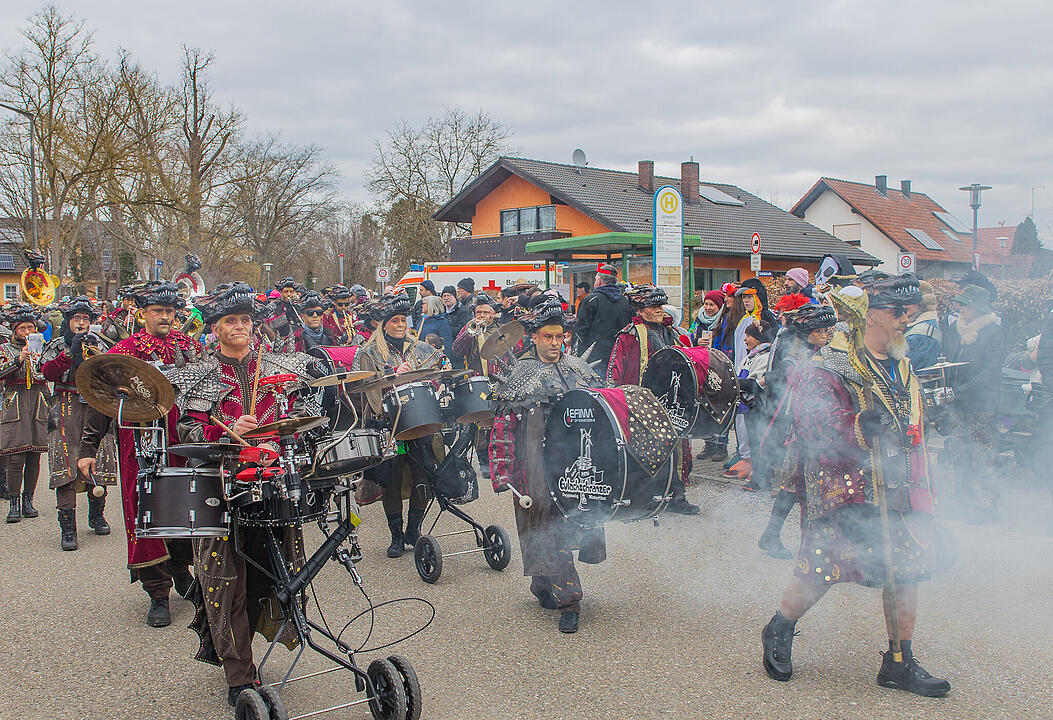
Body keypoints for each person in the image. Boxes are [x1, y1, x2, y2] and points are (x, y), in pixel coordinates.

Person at [761, 277, 950, 698]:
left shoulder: (901, 363)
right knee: (821, 571)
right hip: (847, 489)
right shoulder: (826, 366)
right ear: (869, 314)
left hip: (901, 486)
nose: (908, 317)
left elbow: (908, 419)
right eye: (898, 311)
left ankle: (899, 662)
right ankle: (780, 626)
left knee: (905, 571)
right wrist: (856, 427)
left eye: (911, 310)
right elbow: (814, 424)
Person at [165, 282, 322, 708]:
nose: (239, 327)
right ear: (214, 328)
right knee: (225, 578)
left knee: (270, 571)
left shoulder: (273, 366)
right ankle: (238, 674)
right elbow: (186, 432)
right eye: (229, 321)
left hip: (270, 479)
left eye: (245, 320)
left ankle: (251, 649)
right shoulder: (200, 373)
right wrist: (225, 432)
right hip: (218, 485)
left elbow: (300, 413)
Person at [77, 281, 202, 628]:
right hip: (140, 442)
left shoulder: (190, 348)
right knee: (145, 513)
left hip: (181, 441)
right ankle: (157, 591)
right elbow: (101, 402)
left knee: (185, 508)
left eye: (169, 312)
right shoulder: (124, 350)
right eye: (157, 311)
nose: (164, 317)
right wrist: (87, 449)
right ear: (143, 313)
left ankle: (181, 570)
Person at [489, 299, 605, 634]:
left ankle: (564, 597)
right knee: (535, 524)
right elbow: (503, 427)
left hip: (573, 462)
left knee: (564, 527)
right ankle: (554, 591)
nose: (555, 343)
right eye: (548, 336)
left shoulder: (578, 369)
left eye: (560, 336)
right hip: (533, 465)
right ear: (535, 337)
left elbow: (599, 416)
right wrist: (503, 473)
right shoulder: (519, 375)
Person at [352, 295, 446, 557]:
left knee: (423, 476)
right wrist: (392, 376)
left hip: (420, 419)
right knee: (391, 481)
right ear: (383, 324)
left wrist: (434, 371)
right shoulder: (368, 352)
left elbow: (434, 377)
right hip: (388, 425)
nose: (400, 325)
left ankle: (414, 529)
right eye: (394, 320)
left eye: (403, 320)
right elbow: (363, 389)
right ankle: (395, 535)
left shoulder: (420, 347)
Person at [606, 285, 699, 514]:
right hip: (642, 400)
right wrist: (616, 398)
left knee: (676, 447)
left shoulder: (673, 332)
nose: (657, 310)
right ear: (640, 308)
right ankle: (647, 496)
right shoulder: (629, 335)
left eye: (659, 305)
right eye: (652, 306)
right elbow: (615, 370)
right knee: (646, 448)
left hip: (671, 398)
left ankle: (677, 496)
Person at [755, 304, 840, 557]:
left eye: (828, 330)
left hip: (825, 431)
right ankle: (774, 536)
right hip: (803, 432)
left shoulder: (823, 353)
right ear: (806, 333)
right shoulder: (793, 359)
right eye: (820, 331)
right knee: (793, 486)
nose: (826, 335)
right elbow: (794, 394)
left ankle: (825, 544)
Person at [39, 296, 118, 550]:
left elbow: (112, 375)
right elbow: (47, 373)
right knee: (65, 465)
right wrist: (68, 354)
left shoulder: (99, 344)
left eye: (86, 319)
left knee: (101, 457)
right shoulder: (56, 344)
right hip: (64, 406)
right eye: (77, 318)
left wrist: (95, 355)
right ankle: (68, 528)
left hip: (94, 405)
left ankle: (96, 516)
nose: (81, 323)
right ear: (68, 321)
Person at [941, 284, 1005, 522]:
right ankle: (963, 502)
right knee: (959, 452)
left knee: (982, 454)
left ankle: (987, 506)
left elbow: (990, 371)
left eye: (964, 304)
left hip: (981, 403)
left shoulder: (993, 332)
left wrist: (961, 390)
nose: (960, 308)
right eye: (959, 304)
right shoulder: (954, 329)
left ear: (977, 308)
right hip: (957, 401)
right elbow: (946, 359)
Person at [1, 304, 49, 523]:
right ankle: (14, 502)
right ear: (15, 330)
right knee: (15, 456)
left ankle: (29, 500)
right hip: (16, 401)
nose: (28, 332)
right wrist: (19, 359)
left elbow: (50, 373)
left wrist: (41, 362)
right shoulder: (5, 349)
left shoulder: (43, 347)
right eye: (23, 328)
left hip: (38, 400)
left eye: (31, 327)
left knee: (34, 454)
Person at [574, 263, 634, 378]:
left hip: (594, 359)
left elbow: (581, 331)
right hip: (619, 358)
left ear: (600, 281)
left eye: (596, 279)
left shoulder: (591, 300)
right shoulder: (625, 301)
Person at [905, 281, 941, 371]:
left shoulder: (921, 331)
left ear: (922, 303)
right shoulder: (923, 323)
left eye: (909, 301)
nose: (904, 305)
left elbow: (905, 364)